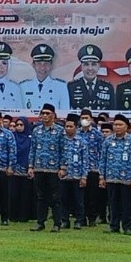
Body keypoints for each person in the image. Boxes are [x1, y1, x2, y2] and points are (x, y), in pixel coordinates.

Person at [99, 114, 131, 235]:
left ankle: (127, 227)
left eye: (120, 125)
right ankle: (113, 225)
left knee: (127, 204)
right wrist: (102, 177)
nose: (117, 127)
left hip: (127, 179)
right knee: (113, 203)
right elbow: (102, 159)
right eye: (115, 124)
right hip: (111, 177)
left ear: (126, 127)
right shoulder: (108, 141)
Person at [29, 104, 64, 232]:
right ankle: (40, 222)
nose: (44, 115)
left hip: (54, 169)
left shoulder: (60, 131)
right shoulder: (36, 131)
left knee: (55, 197)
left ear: (53, 115)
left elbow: (63, 150)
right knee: (40, 197)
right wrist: (31, 166)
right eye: (43, 113)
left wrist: (63, 167)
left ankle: (57, 223)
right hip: (39, 168)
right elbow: (32, 150)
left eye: (47, 113)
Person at [58, 114, 89, 229]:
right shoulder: (61, 141)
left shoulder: (82, 141)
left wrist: (84, 176)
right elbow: (57, 156)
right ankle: (64, 220)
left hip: (77, 175)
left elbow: (85, 160)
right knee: (63, 199)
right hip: (64, 176)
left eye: (71, 126)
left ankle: (79, 220)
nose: (68, 129)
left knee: (78, 200)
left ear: (76, 127)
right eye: (66, 126)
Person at [20, 44, 68, 112]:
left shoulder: (61, 87)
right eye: (39, 63)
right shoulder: (23, 86)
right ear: (33, 65)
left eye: (46, 63)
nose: (42, 67)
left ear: (51, 65)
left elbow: (64, 112)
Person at [67, 45, 115, 111]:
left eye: (93, 64)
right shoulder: (71, 87)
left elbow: (113, 112)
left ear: (99, 66)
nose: (90, 68)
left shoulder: (108, 87)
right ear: (81, 66)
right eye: (86, 64)